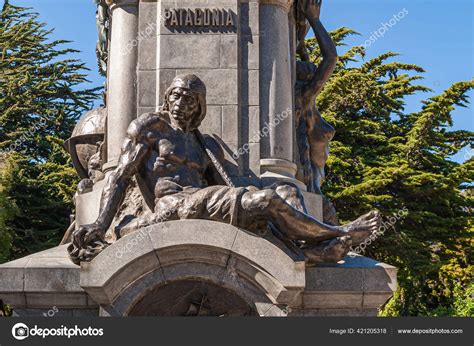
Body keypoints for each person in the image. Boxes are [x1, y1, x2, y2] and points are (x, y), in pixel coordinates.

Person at [68, 74, 380, 265]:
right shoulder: (152, 128)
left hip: (203, 199)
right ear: (167, 98)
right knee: (265, 201)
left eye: (190, 99)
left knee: (284, 190)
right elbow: (120, 176)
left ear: (199, 106)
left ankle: (310, 251)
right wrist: (99, 222)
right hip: (171, 205)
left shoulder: (204, 144)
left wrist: (267, 188)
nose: (181, 103)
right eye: (176, 95)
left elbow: (234, 183)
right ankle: (340, 233)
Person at [295, 0, 337, 195]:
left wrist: (312, 22)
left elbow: (329, 59)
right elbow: (329, 58)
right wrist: (313, 19)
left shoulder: (304, 96)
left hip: (311, 176)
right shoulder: (304, 96)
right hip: (311, 176)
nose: (312, 65)